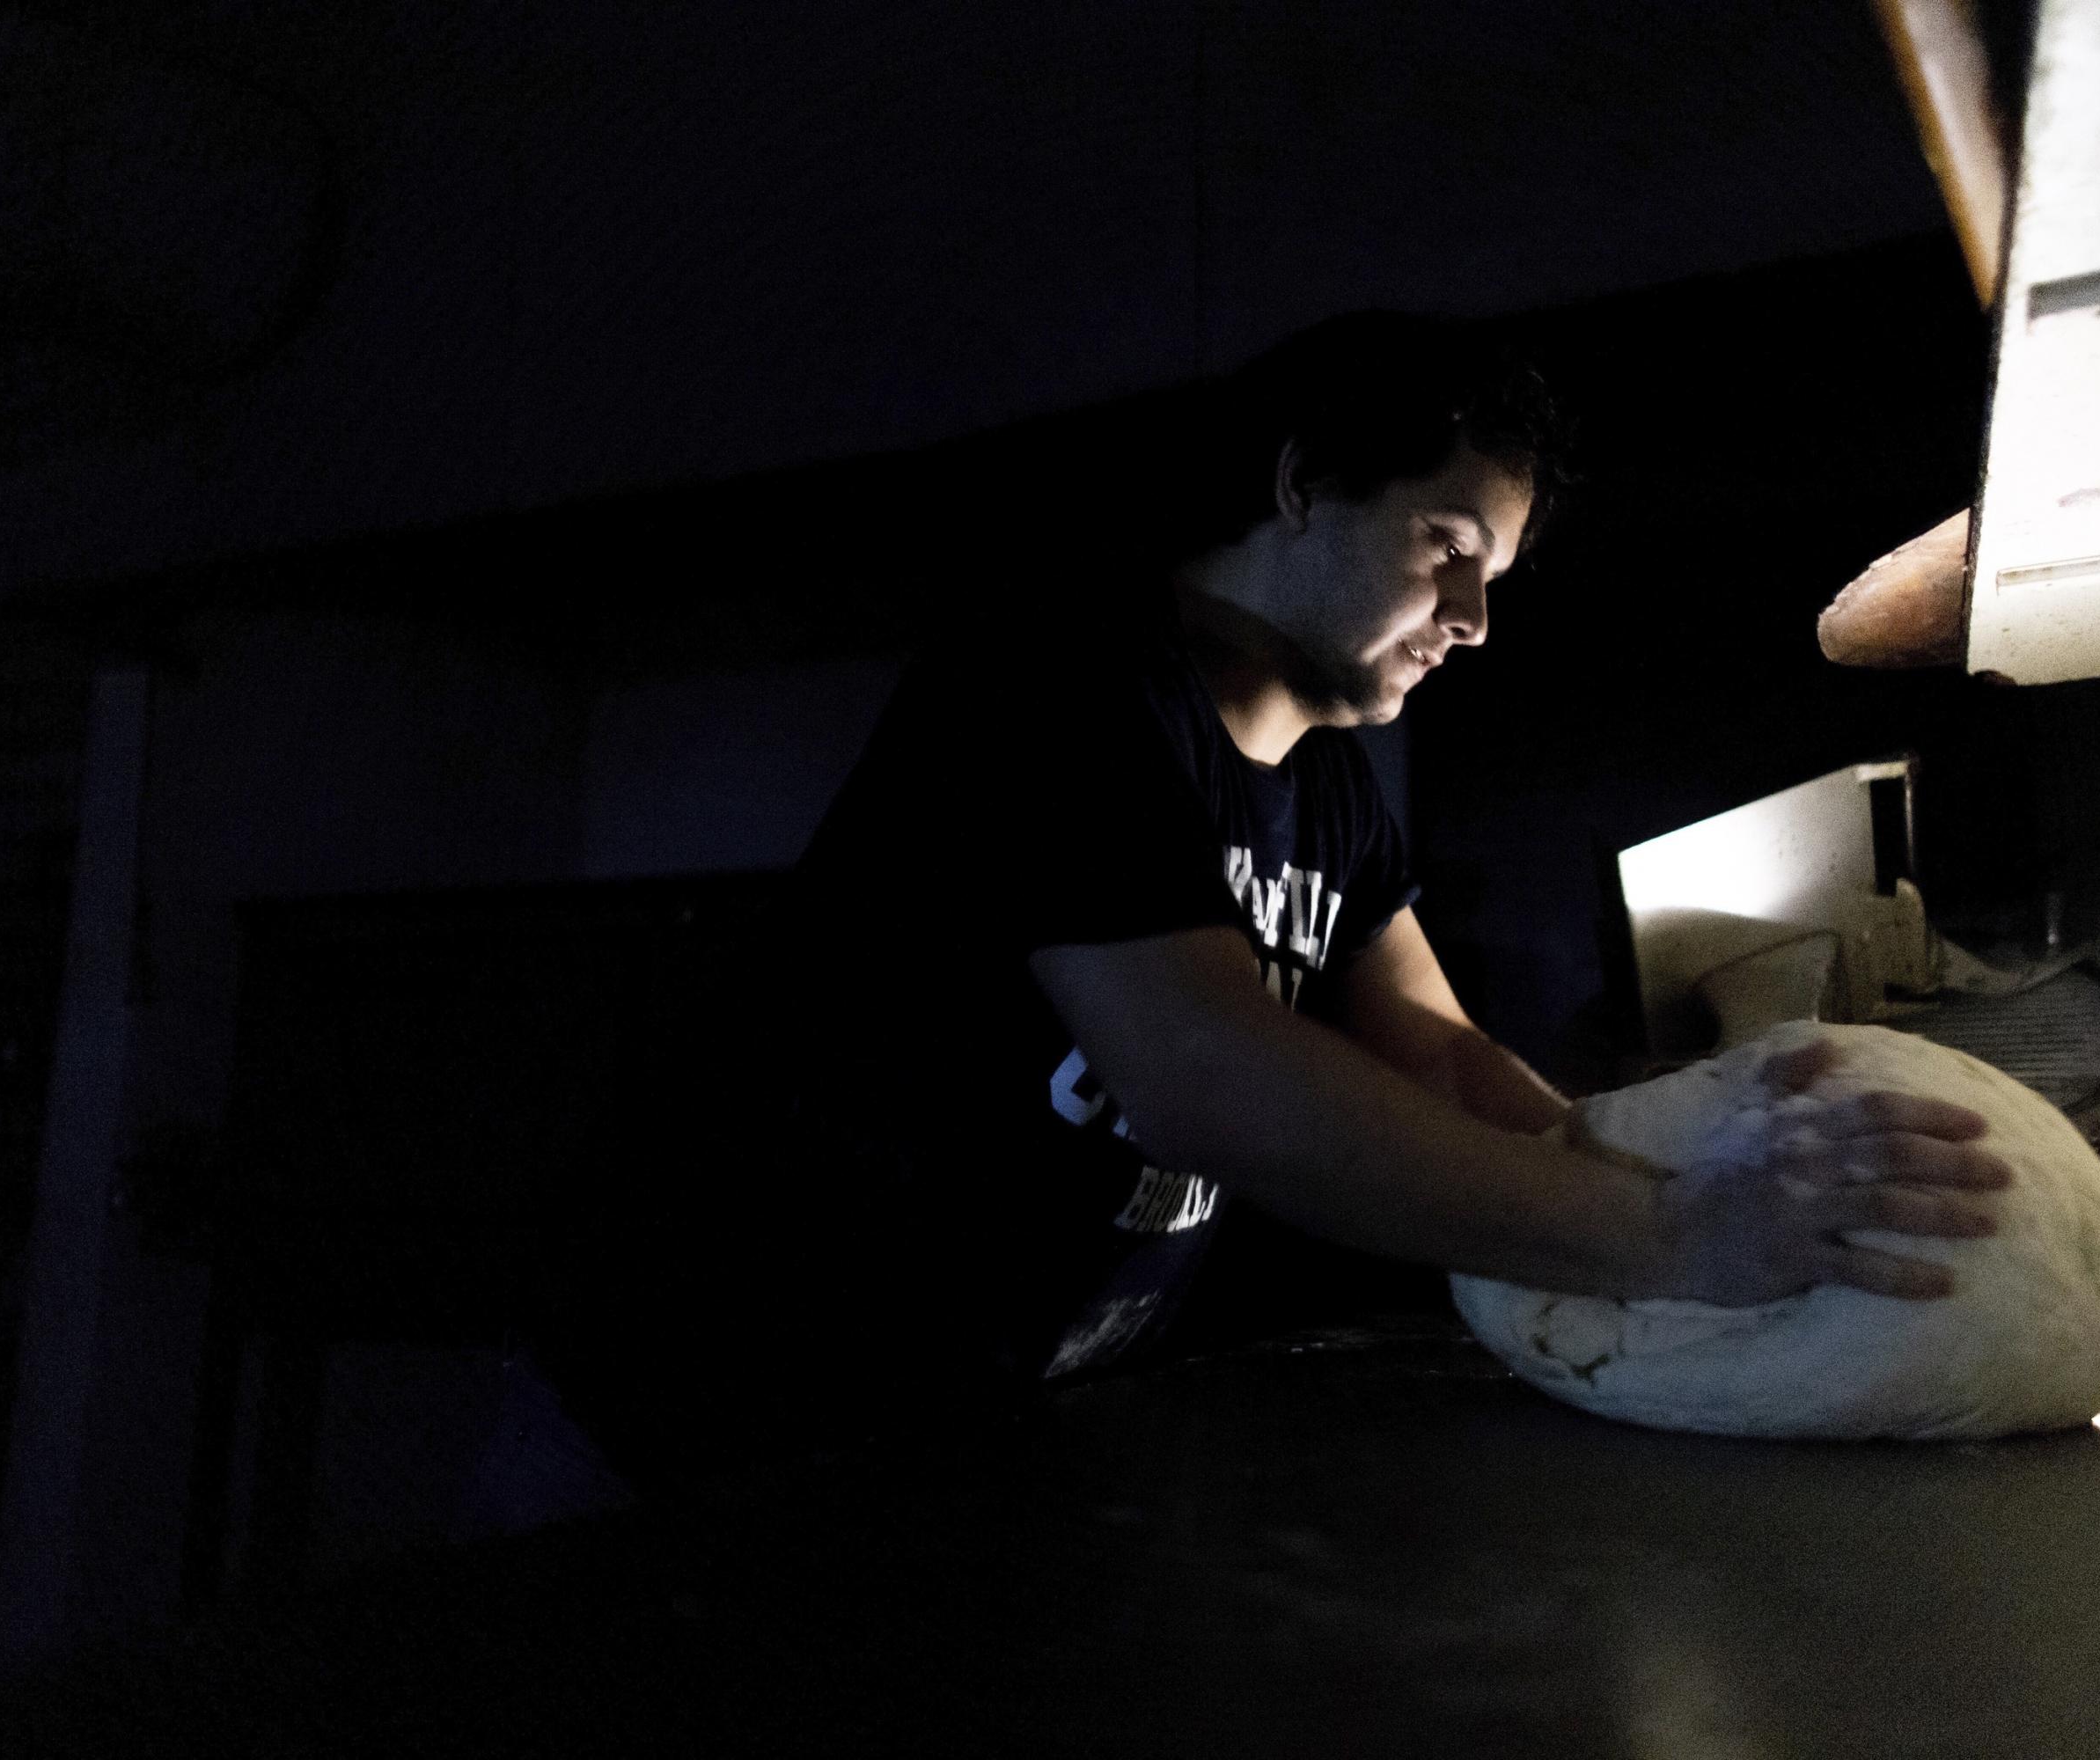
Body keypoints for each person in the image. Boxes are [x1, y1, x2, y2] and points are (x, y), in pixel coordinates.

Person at [778, 312, 2008, 1406]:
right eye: (1447, 545)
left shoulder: (1328, 793)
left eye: (1494, 577)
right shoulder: (1063, 686)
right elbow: (1203, 1075)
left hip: (1009, 1406)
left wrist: (1684, 1160)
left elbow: (1449, 1060)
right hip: (745, 1400)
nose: (1473, 620)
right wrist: (1670, 1230)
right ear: (1307, 484)